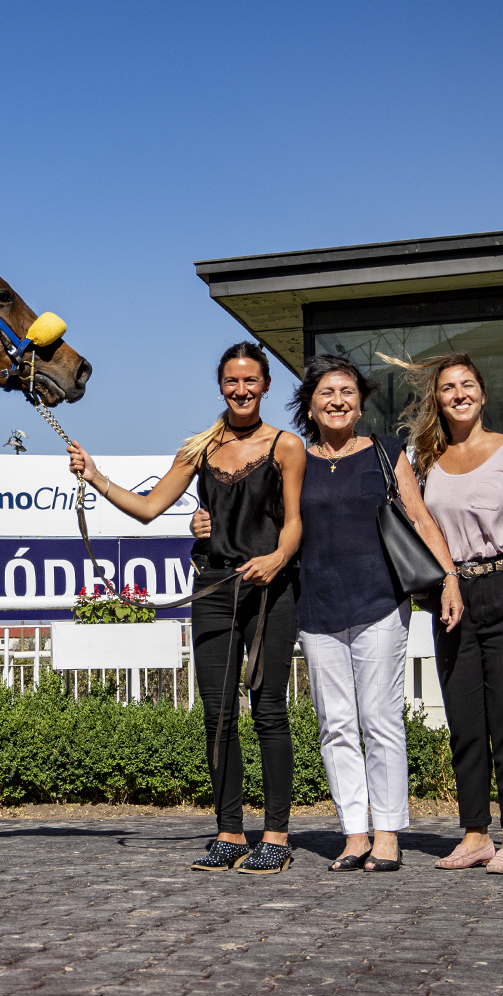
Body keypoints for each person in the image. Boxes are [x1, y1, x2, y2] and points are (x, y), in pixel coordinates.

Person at [195, 356, 462, 873]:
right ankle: (354, 833)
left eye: (346, 392)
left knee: (380, 720)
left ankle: (387, 834)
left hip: (380, 603)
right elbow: (252, 515)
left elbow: (420, 517)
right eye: (326, 393)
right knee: (335, 726)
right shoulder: (294, 456)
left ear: (360, 403)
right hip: (315, 607)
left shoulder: (385, 452)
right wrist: (202, 521)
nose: (337, 401)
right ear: (310, 405)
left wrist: (449, 577)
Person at [68, 341, 306, 873]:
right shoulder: (200, 448)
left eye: (250, 380)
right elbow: (149, 507)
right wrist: (95, 476)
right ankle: (229, 832)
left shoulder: (287, 445)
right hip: (214, 590)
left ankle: (276, 835)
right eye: (231, 381)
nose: (241, 389)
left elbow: (295, 521)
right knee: (218, 716)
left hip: (271, 590)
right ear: (220, 386)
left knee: (269, 710)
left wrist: (277, 558)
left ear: (266, 385)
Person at [387, 350, 503, 874]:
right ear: (438, 399)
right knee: (465, 723)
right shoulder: (426, 460)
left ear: (483, 393)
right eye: (448, 387)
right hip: (454, 597)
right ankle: (474, 835)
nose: (459, 394)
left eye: (467, 384)